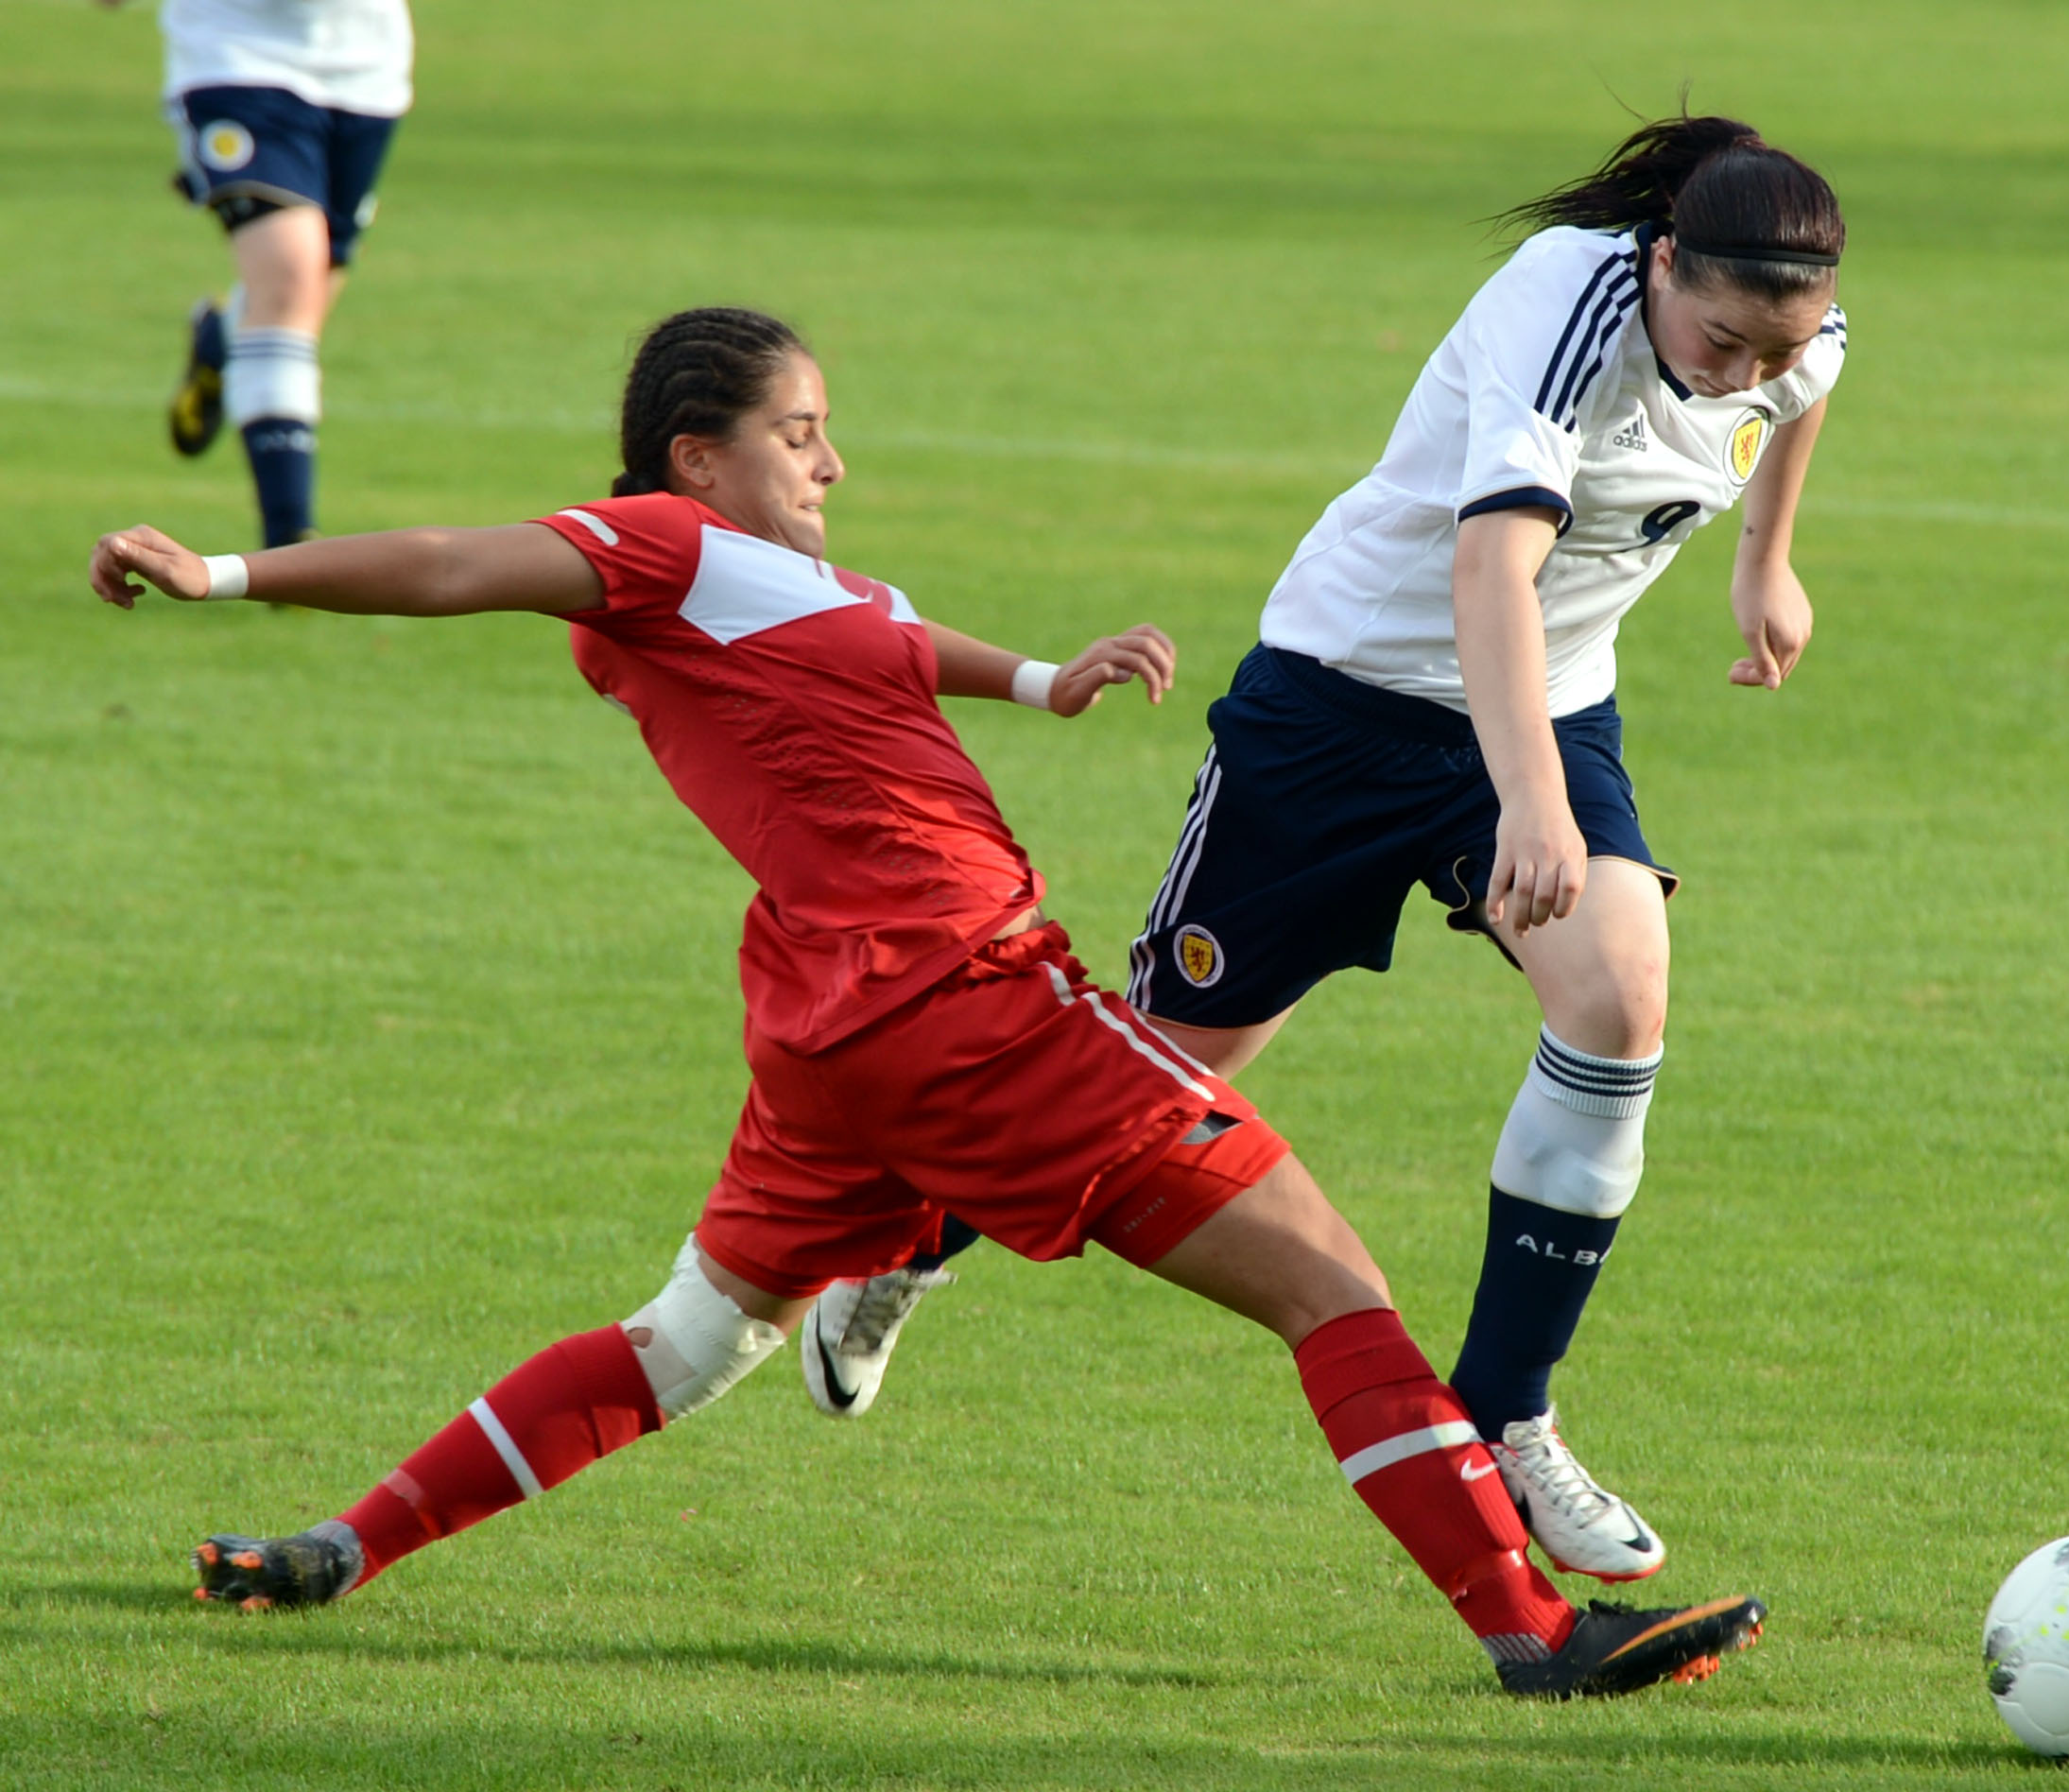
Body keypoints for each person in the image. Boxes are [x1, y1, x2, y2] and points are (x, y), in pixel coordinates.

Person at [87, 307, 1767, 1699]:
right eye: (800, 429)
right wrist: (227, 573)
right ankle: (1532, 1635)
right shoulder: (661, 548)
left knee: (682, 1344)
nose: (830, 459)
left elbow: (891, 639)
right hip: (971, 1009)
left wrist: (1045, 679)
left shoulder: (789, 589)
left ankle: (342, 1547)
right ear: (694, 456)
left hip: (830, 1044)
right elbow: (464, 559)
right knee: (1333, 1292)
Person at [1119, 115, 1849, 1584]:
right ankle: (909, 1241)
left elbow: (1801, 400)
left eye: (1774, 350)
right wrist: (1527, 807)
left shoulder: (1788, 337)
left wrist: (1766, 562)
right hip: (1341, 699)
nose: (1743, 375)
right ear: (1658, 267)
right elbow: (1487, 567)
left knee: (1616, 997)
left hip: (1546, 711)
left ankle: (1507, 1414)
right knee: (1165, 1069)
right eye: (1718, 342)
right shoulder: (1560, 309)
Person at [111, 0, 416, 546]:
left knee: (313, 286)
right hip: (236, 55)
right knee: (291, 282)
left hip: (367, 65)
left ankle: (225, 338)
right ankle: (288, 541)